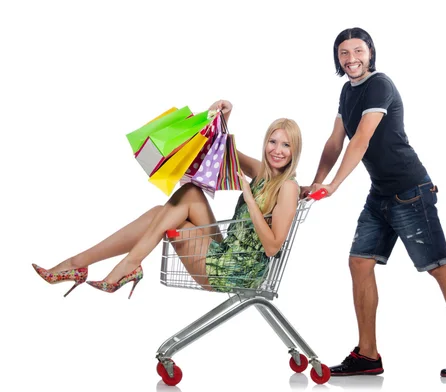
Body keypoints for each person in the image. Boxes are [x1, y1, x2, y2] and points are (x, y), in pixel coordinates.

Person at [301, 27, 446, 378]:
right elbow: (335, 140)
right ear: (337, 58)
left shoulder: (380, 85)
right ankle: (368, 354)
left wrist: (335, 185)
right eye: (344, 53)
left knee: (438, 266)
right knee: (359, 263)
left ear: (370, 52)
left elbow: (362, 140)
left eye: (358, 51)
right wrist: (317, 180)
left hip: (411, 190)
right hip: (381, 194)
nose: (351, 58)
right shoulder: (346, 92)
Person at [32, 99, 302, 297]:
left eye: (286, 145)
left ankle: (112, 264)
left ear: (294, 151)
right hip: (229, 252)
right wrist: (223, 119)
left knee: (165, 214)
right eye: (273, 142)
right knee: (169, 206)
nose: (277, 150)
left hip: (235, 272)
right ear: (265, 142)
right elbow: (225, 152)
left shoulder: (287, 187)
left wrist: (249, 197)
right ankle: (85, 263)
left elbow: (272, 247)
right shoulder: (262, 172)